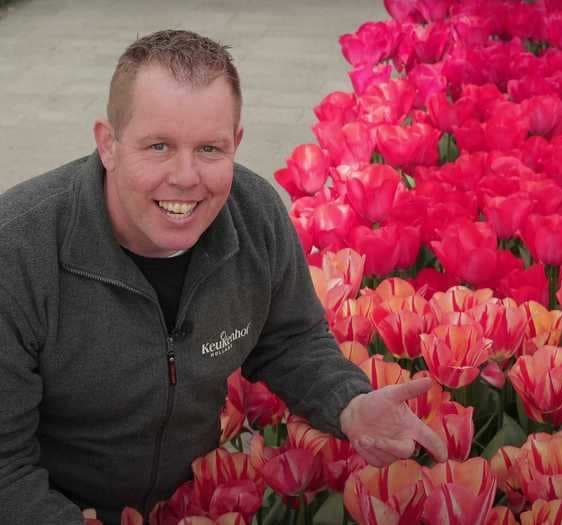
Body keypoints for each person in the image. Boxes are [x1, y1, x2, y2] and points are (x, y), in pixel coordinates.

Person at [0, 29, 446, 525]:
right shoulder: (16, 255)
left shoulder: (254, 217)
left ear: (236, 142)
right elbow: (5, 472)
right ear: (108, 144)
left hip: (188, 506)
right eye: (159, 146)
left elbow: (290, 339)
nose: (186, 177)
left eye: (209, 149)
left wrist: (350, 403)